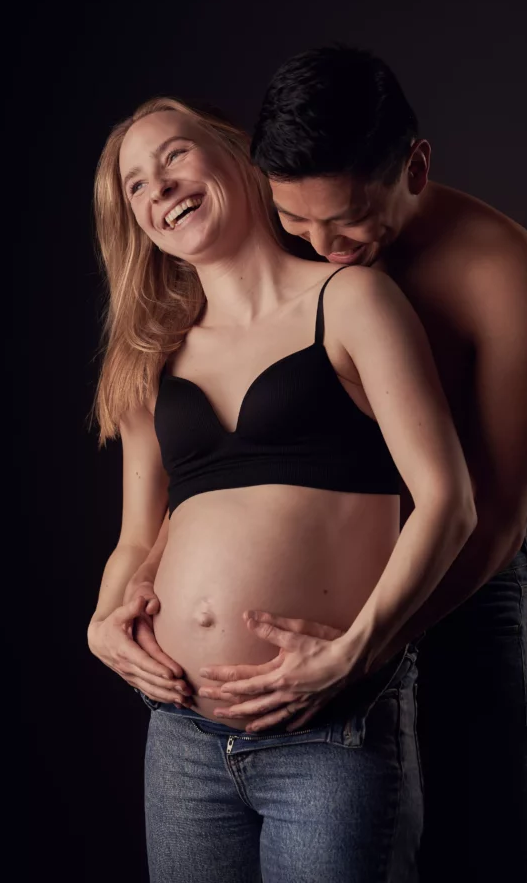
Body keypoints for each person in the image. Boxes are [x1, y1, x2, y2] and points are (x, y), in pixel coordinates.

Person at [194, 43, 527, 883]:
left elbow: (496, 516)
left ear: (415, 167)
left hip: (460, 593)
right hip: (315, 604)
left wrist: (365, 645)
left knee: (475, 855)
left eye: (346, 221)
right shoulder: (279, 240)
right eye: (296, 221)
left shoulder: (508, 282)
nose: (320, 244)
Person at [87, 96, 477, 883]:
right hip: (182, 738)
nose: (159, 188)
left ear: (236, 156)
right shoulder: (150, 355)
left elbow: (447, 502)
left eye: (173, 156)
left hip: (328, 731)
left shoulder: (350, 301)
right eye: (135, 185)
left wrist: (354, 654)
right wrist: (101, 623)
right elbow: (137, 537)